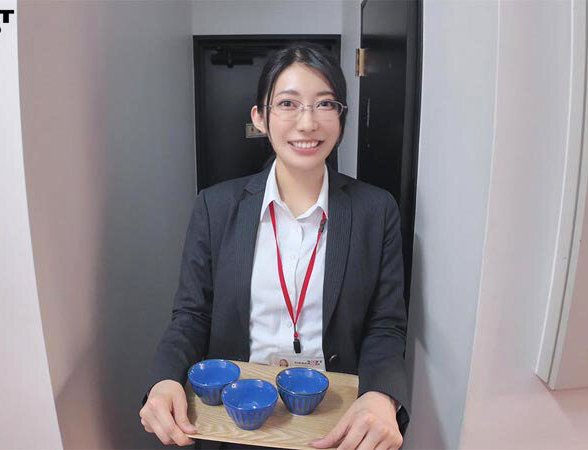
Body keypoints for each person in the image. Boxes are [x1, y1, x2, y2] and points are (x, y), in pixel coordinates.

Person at [139, 43, 408, 450]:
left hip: (334, 422)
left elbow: (385, 325)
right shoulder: (215, 207)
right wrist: (164, 379)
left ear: (341, 116)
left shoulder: (376, 210)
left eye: (325, 104)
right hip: (236, 420)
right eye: (288, 103)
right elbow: (191, 314)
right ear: (260, 117)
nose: (308, 122)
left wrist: (382, 395)